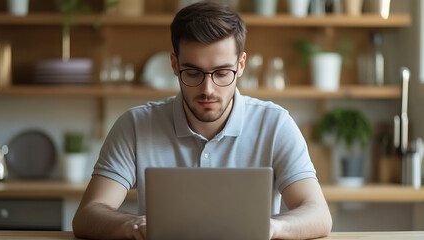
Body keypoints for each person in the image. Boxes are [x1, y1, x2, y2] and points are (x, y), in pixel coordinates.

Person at [72, 2, 332, 239]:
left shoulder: (276, 124)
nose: (208, 88)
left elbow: (318, 214)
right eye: (193, 72)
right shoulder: (135, 125)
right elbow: (88, 214)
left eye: (222, 73)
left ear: (241, 65)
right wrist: (133, 225)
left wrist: (273, 227)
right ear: (174, 65)